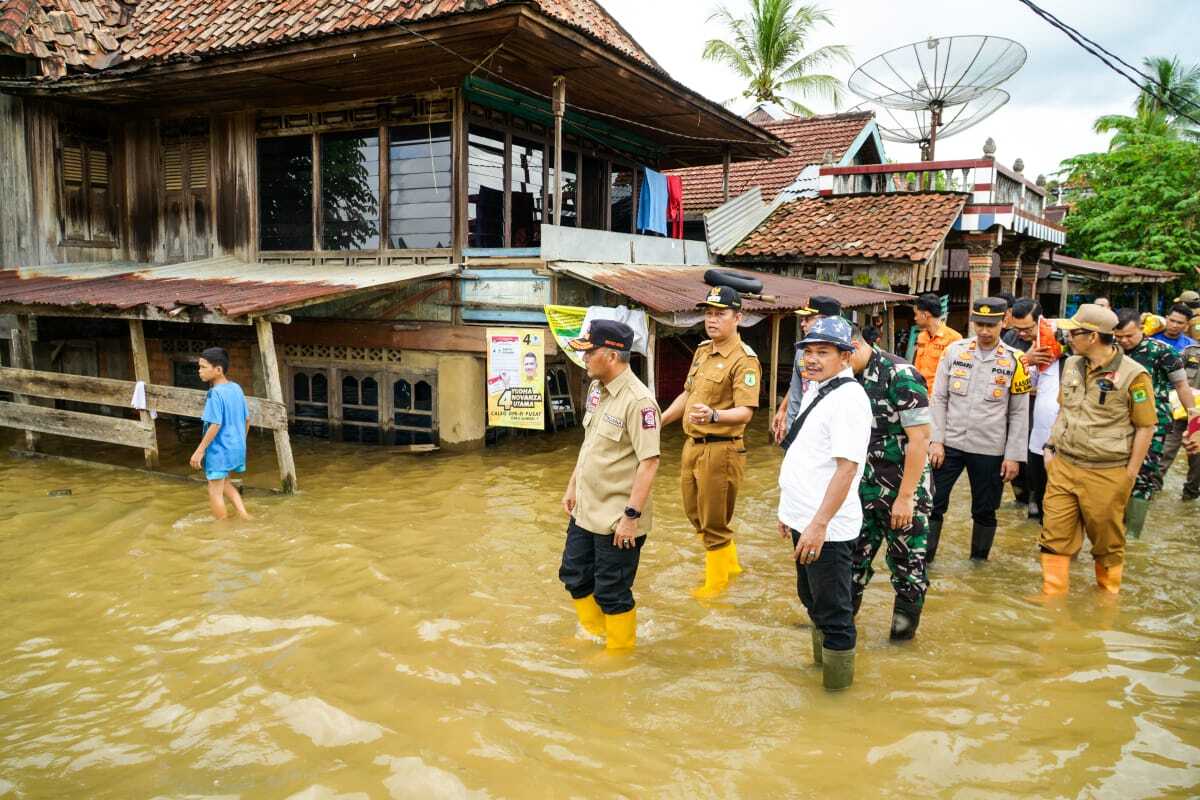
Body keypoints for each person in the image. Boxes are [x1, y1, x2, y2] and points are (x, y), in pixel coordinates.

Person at [776, 317, 871, 691]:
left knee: (834, 613)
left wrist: (818, 524)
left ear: (846, 357)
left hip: (827, 528)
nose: (812, 360)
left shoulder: (849, 400)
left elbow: (847, 470)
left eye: (823, 352)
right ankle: (823, 670)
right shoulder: (819, 389)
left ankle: (835, 699)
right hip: (806, 518)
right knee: (812, 600)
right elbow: (806, 455)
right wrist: (790, 512)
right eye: (808, 352)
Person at [1039, 304, 1156, 595]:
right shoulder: (1071, 365)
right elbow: (1063, 410)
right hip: (1063, 465)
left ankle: (1107, 599)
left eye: (1073, 332)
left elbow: (1146, 427)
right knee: (1054, 535)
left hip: (1107, 471)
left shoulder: (1134, 375)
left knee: (1106, 543)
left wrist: (1129, 475)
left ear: (1092, 336)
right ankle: (1052, 598)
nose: (1067, 337)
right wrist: (1050, 449)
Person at [559, 320, 660, 649]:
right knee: (574, 574)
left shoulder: (639, 402)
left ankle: (619, 652)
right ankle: (593, 633)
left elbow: (650, 462)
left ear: (612, 355)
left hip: (618, 518)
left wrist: (631, 517)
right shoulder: (596, 390)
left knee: (612, 592)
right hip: (587, 508)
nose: (584, 359)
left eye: (589, 353)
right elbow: (590, 443)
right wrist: (573, 485)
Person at [661, 286, 761, 597]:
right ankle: (731, 569)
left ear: (738, 317)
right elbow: (688, 394)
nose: (712, 320)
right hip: (692, 445)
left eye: (720, 314)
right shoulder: (703, 350)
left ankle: (716, 590)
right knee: (695, 514)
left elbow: (746, 412)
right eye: (709, 313)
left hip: (721, 450)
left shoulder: (744, 361)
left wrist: (715, 417)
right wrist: (660, 422)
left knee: (714, 522)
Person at [846, 325, 932, 640]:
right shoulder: (845, 379)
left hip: (903, 491)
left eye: (842, 355)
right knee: (851, 564)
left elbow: (920, 440)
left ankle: (901, 644)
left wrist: (906, 497)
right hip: (860, 492)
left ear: (855, 345)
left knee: (908, 572)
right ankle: (840, 631)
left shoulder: (900, 376)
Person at [928, 298, 1031, 562]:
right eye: (980, 324)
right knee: (932, 504)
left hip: (990, 448)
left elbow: (1019, 412)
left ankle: (978, 563)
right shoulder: (954, 352)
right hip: (949, 444)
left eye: (991, 325)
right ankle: (924, 560)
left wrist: (1013, 456)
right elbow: (939, 398)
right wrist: (935, 441)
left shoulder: (1015, 360)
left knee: (985, 510)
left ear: (1004, 322)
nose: (984, 331)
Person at [1112, 309, 1196, 537]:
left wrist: (1194, 422)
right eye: (1119, 336)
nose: (1124, 341)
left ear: (1141, 328)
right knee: (1113, 475)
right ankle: (1112, 529)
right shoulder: (1109, 351)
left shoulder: (1162, 352)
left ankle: (1132, 536)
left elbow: (1182, 387)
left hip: (1154, 423)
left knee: (1143, 476)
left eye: (1129, 335)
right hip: (1115, 423)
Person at [189, 347, 251, 521]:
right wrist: (240, 442)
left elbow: (215, 424)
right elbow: (247, 420)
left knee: (214, 491)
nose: (199, 371)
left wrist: (200, 450)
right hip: (236, 447)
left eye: (203, 367)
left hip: (219, 450)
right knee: (224, 483)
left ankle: (222, 528)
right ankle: (244, 515)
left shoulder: (214, 393)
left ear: (218, 370)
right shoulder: (236, 388)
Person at [771, 295, 842, 441]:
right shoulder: (800, 353)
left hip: (826, 435)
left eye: (808, 319)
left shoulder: (843, 357)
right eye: (802, 319)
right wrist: (783, 410)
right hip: (796, 431)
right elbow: (797, 386)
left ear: (825, 321)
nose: (802, 324)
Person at [1161, 338, 1200, 501]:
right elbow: (1173, 379)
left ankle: (1189, 495)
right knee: (1165, 451)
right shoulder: (1189, 352)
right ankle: (1151, 490)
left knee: (1197, 459)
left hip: (1198, 420)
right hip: (1181, 411)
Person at [912, 293, 962, 389]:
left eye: (916, 314)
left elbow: (957, 374)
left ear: (925, 315)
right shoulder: (921, 337)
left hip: (939, 397)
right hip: (920, 393)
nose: (915, 318)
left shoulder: (954, 338)